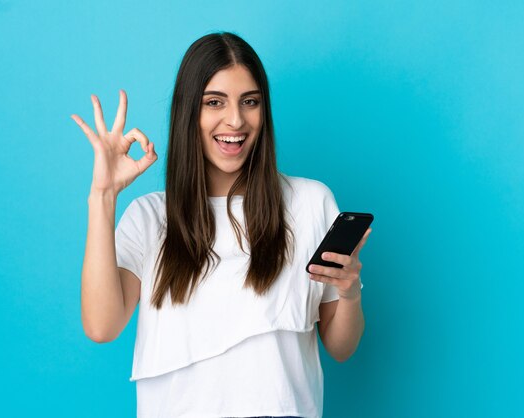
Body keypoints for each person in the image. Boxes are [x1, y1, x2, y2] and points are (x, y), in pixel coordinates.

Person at [72, 32, 371, 418]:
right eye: (215, 102)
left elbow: (341, 347)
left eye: (250, 102)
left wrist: (349, 293)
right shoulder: (149, 217)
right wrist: (103, 197)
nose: (235, 120)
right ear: (188, 114)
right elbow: (102, 326)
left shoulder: (310, 202)